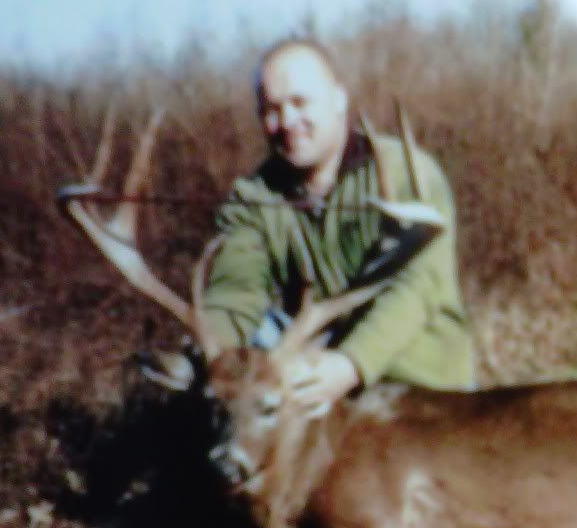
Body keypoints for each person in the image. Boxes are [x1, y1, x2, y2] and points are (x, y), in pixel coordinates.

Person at [201, 38, 475, 408]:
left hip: (414, 383)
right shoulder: (255, 196)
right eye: (271, 110)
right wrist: (212, 354)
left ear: (338, 99)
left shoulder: (405, 173)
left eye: (300, 103)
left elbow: (418, 287)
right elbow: (236, 290)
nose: (287, 123)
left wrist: (350, 365)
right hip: (318, 377)